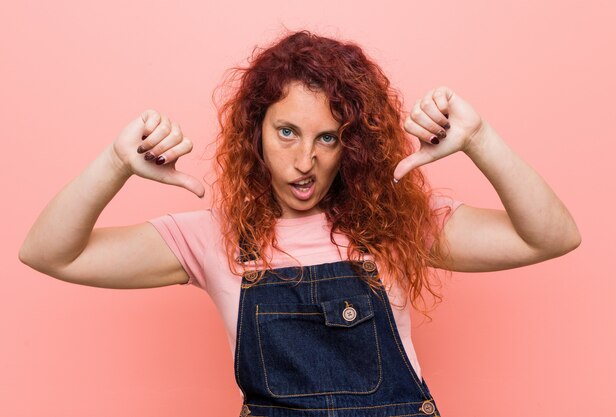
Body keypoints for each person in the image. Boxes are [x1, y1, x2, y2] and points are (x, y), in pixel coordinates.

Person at [19, 30, 581, 417]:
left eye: (328, 137)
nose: (305, 160)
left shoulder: (396, 226)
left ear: (352, 146)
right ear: (254, 133)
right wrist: (116, 163)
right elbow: (50, 253)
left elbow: (551, 236)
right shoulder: (214, 239)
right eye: (286, 131)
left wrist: (480, 140)